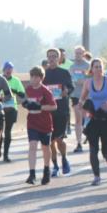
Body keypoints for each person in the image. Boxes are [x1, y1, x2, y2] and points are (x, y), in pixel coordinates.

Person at [77, 58, 107, 185]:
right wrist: (80, 105)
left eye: (100, 66)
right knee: (93, 149)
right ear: (91, 69)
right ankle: (96, 176)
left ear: (103, 68)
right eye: (95, 67)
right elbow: (82, 98)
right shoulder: (87, 83)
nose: (98, 69)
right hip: (93, 119)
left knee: (105, 150)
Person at [22, 67, 57, 185]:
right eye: (31, 76)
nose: (33, 79)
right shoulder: (28, 89)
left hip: (45, 124)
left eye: (36, 77)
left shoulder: (45, 91)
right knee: (32, 146)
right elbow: (25, 100)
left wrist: (40, 107)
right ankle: (32, 174)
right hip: (32, 122)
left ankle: (46, 170)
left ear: (41, 78)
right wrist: (26, 104)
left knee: (45, 147)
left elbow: (53, 106)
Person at [43, 48, 74, 177]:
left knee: (59, 139)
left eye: (54, 56)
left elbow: (71, 87)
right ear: (47, 58)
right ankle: (55, 165)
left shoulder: (64, 72)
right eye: (49, 56)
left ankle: (64, 158)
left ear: (59, 58)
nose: (52, 58)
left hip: (61, 110)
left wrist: (66, 92)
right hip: (48, 111)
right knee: (50, 141)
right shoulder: (43, 74)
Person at [0, 61, 25, 162]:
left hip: (11, 108)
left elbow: (22, 95)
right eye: (7, 69)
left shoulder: (16, 80)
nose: (8, 71)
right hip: (0, 108)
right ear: (4, 70)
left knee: (7, 131)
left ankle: (6, 154)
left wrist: (12, 91)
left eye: (10, 69)